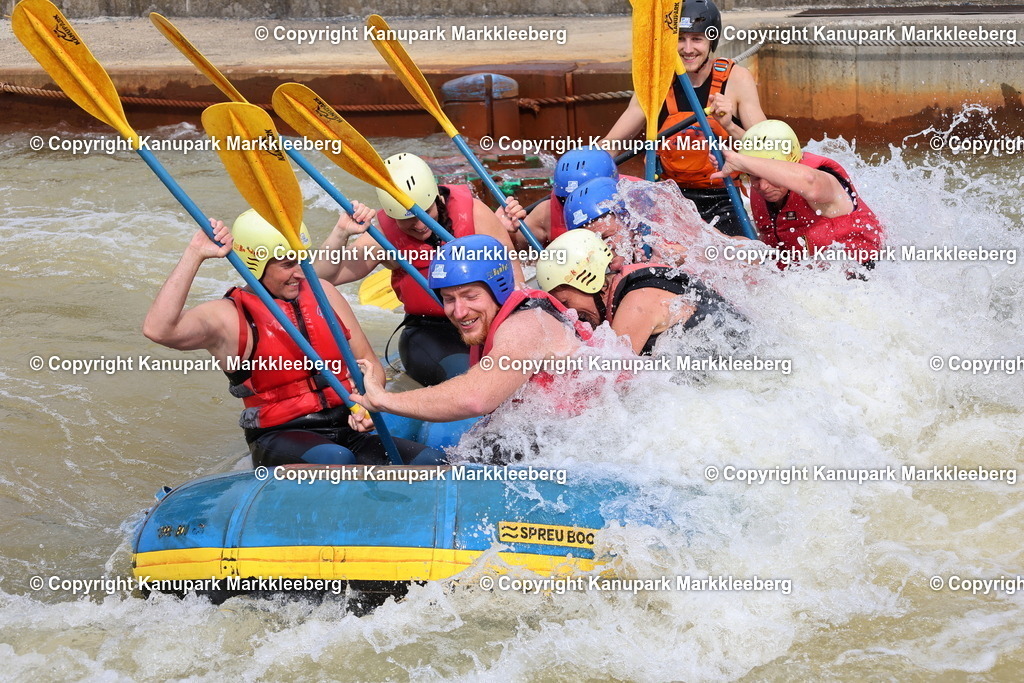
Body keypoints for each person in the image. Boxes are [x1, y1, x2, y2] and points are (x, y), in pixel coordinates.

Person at [142, 209, 445, 468]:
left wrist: (368, 400)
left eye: (301, 259)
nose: (300, 273)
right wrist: (195, 254)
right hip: (280, 435)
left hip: (348, 426)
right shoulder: (228, 317)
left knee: (431, 462)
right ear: (255, 265)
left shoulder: (323, 293)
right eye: (287, 264)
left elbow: (368, 361)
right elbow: (159, 329)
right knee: (338, 461)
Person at [315, 153, 523, 388]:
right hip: (432, 333)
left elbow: (513, 273)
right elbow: (322, 277)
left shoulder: (473, 213)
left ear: (436, 198)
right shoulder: (384, 237)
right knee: (475, 380)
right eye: (408, 220)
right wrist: (340, 233)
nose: (420, 224)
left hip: (485, 322)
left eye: (424, 212)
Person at [349, 235, 591, 422]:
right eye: (449, 299)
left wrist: (384, 400)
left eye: (470, 296)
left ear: (499, 290)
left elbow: (476, 398)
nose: (459, 311)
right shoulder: (496, 323)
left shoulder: (527, 324)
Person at [601, 0, 765, 237]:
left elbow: (769, 150)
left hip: (724, 198)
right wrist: (582, 167)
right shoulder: (655, 83)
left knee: (744, 253)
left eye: (697, 39)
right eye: (680, 38)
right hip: (669, 200)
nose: (688, 49)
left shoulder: (737, 80)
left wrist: (729, 125)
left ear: (712, 41)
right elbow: (612, 146)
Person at [536, 230, 742, 355]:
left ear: (589, 280)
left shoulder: (638, 301)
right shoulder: (630, 286)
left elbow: (612, 382)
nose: (567, 313)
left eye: (565, 301)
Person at [712, 119, 885, 266]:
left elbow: (810, 181)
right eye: (755, 178)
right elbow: (768, 253)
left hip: (861, 279)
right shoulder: (764, 190)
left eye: (770, 176)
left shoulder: (825, 181)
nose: (763, 186)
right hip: (802, 283)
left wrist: (739, 160)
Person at [500, 146, 620, 249]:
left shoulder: (634, 201)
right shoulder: (546, 213)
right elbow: (513, 246)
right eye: (565, 200)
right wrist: (500, 231)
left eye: (587, 197)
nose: (575, 206)